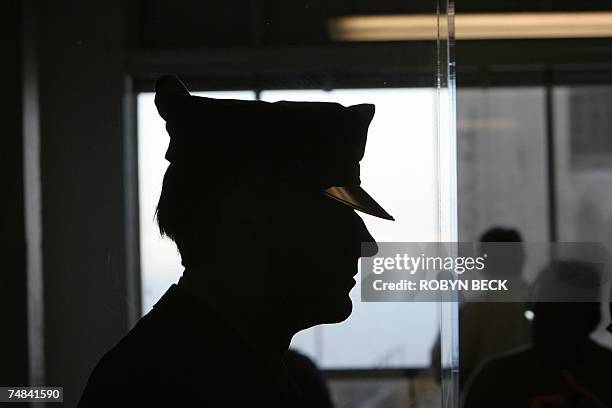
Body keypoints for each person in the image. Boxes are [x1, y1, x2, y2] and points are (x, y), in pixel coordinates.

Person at [77, 75, 393, 407]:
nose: (365, 241)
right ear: (245, 218)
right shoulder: (173, 384)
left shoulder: (182, 367)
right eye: (331, 216)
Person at [463, 260, 612, 408]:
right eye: (545, 311)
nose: (548, 323)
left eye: (561, 314)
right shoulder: (493, 377)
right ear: (596, 317)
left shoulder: (495, 377)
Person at [430, 227, 531, 389]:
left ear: (483, 263)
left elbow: (440, 369)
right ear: (522, 258)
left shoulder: (473, 312)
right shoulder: (543, 306)